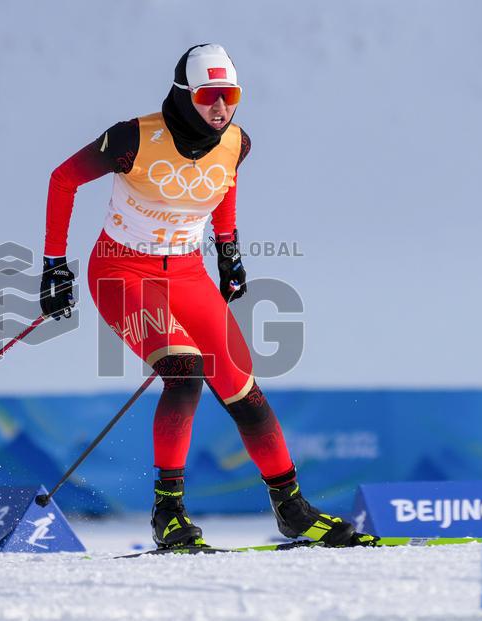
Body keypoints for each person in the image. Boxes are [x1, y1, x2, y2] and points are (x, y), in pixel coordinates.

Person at [39, 44, 376, 548]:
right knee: (184, 374)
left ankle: (293, 509)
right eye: (207, 96)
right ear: (183, 94)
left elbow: (224, 185)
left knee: (248, 396)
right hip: (122, 272)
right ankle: (168, 514)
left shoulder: (236, 142)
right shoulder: (132, 137)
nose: (220, 107)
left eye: (230, 95)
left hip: (189, 275)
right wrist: (52, 266)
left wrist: (229, 252)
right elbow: (63, 179)